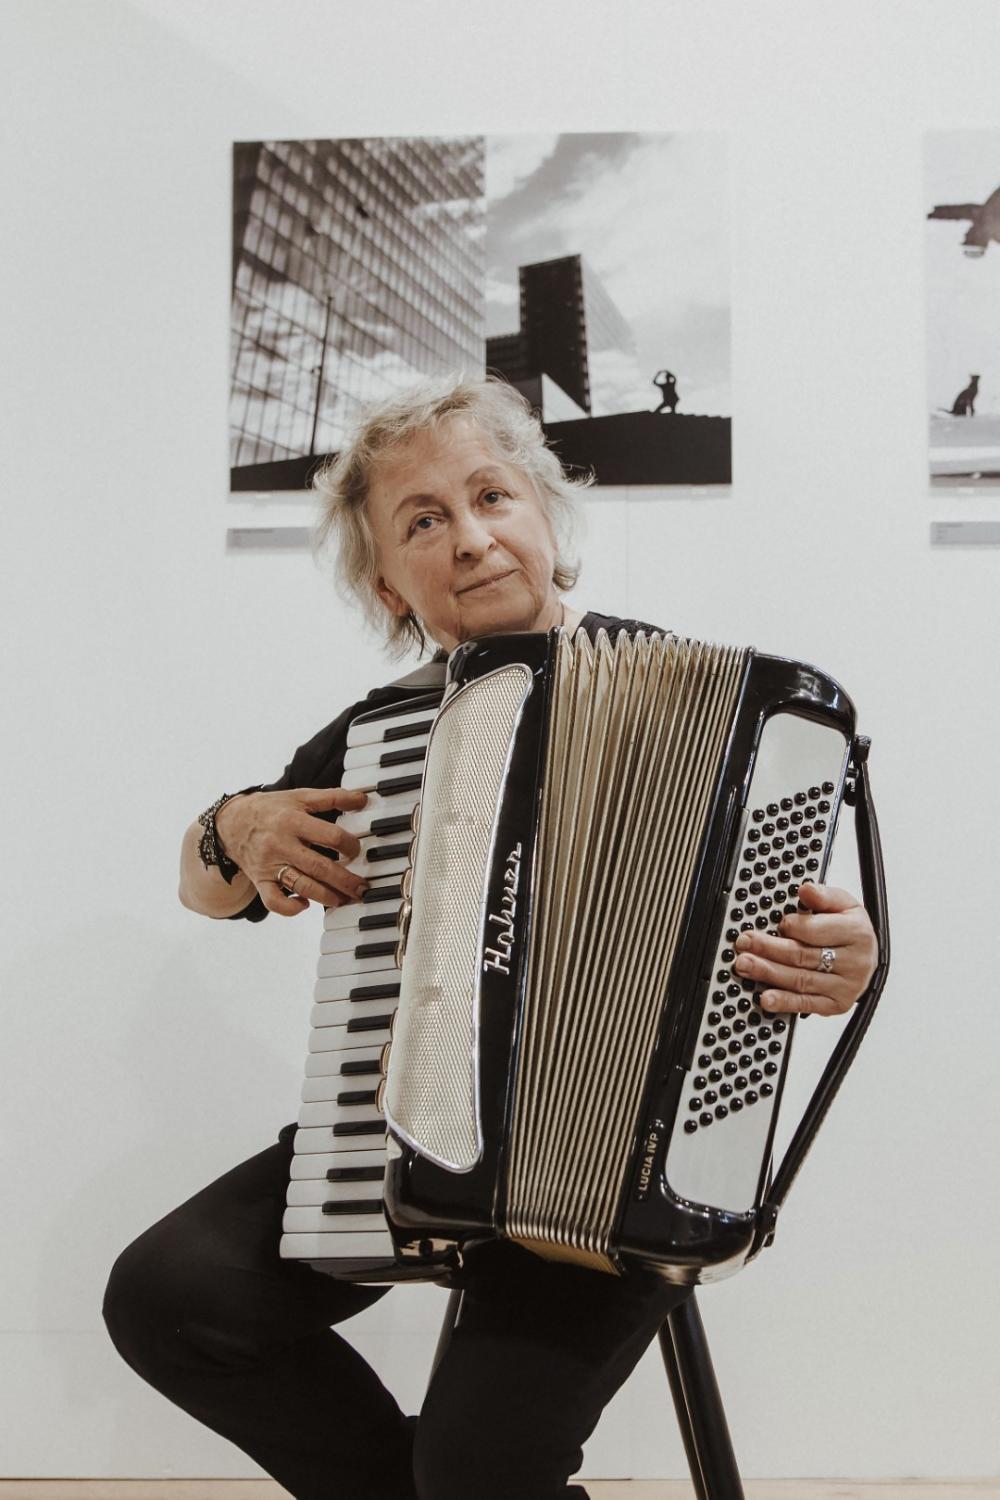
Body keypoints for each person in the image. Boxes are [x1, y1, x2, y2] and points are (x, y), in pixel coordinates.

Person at [102, 373, 878, 1500]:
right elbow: (207, 892)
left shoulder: (707, 705)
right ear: (388, 583)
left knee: (475, 1466)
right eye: (424, 521)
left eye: (491, 497)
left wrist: (838, 956)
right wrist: (234, 824)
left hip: (624, 1170)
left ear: (545, 516)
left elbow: (805, 930)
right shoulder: (380, 736)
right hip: (397, 1140)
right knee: (167, 1301)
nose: (469, 537)